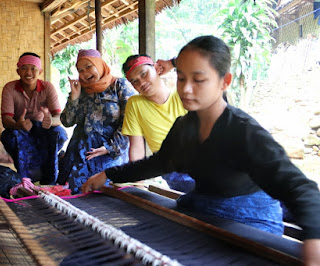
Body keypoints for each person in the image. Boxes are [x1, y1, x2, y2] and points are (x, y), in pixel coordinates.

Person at [82, 36, 320, 264]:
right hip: (204, 210)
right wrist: (108, 175)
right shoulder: (184, 127)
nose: (186, 89)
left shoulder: (243, 131)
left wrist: (314, 241)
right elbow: (157, 164)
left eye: (198, 80)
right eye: (182, 78)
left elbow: (299, 187)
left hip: (250, 220)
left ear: (224, 82)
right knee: (107, 251)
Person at [57, 49, 136, 193]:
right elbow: (67, 121)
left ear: (99, 64)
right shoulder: (80, 89)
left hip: (108, 155)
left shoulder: (119, 85)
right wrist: (74, 98)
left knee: (103, 201)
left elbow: (131, 120)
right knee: (69, 199)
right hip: (77, 155)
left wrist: (110, 148)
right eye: (80, 70)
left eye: (88, 66)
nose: (85, 73)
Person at [121, 54, 195, 193]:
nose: (141, 83)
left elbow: (204, 66)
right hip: (174, 171)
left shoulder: (183, 93)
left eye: (144, 74)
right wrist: (139, 186)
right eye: (135, 81)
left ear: (157, 68)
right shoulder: (135, 104)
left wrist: (173, 63)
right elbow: (136, 148)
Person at [0, 52, 68, 185]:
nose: (28, 72)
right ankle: (26, 180)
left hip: (42, 127)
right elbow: (5, 121)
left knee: (60, 134)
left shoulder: (48, 87)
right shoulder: (10, 88)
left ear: (40, 71)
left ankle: (49, 179)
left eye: (33, 68)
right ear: (18, 71)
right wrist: (18, 125)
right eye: (24, 68)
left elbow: (59, 118)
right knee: (9, 136)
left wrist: (51, 121)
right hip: (19, 129)